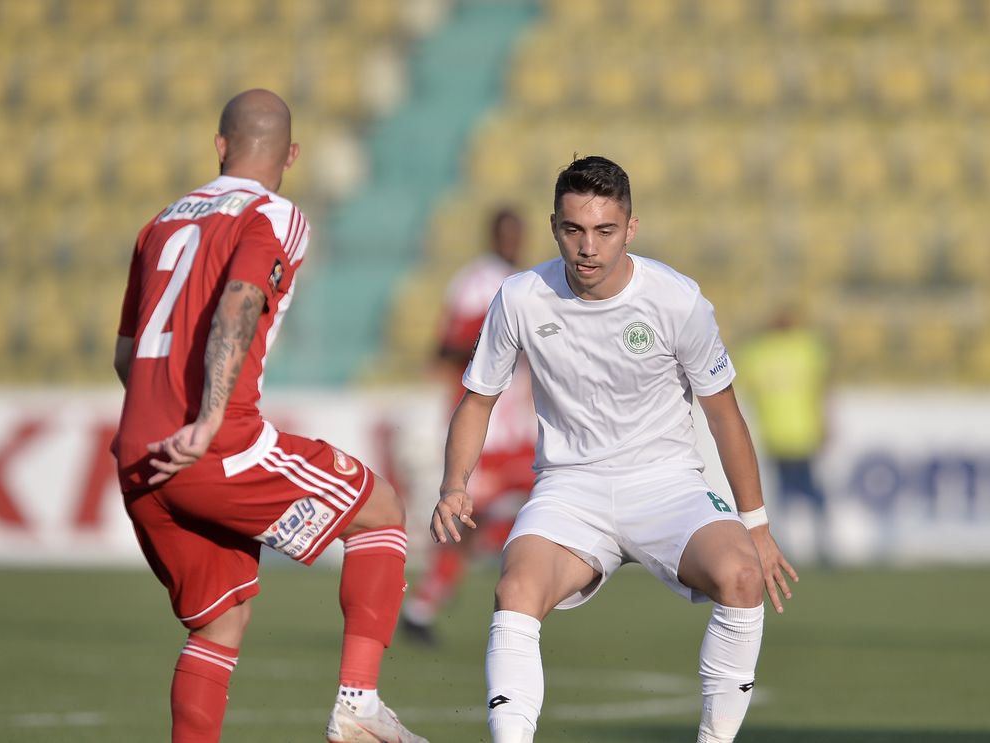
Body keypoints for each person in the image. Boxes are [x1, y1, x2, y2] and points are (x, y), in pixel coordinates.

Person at [430, 155, 798, 743]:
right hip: (569, 488)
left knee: (742, 577)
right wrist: (454, 485)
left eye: (604, 230)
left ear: (630, 228)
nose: (588, 248)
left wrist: (755, 524)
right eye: (574, 230)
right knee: (514, 590)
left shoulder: (677, 300)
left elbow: (724, 414)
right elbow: (477, 400)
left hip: (667, 483)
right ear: (554, 227)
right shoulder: (521, 297)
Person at [112, 89, 428, 743]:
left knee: (218, 623)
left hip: (139, 457)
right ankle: (358, 705)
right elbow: (240, 299)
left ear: (220, 145)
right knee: (382, 510)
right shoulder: (275, 213)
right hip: (215, 444)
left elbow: (125, 355)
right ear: (291, 155)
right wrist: (205, 421)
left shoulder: (161, 221)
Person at [401, 208, 538, 646]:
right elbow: (446, 347)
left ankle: (525, 603)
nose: (514, 242)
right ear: (493, 235)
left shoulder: (530, 283)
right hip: (487, 433)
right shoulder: (476, 282)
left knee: (550, 501)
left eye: (519, 235)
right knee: (464, 525)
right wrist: (495, 335)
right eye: (507, 234)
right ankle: (420, 608)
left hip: (520, 434)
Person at [733, 307, 833, 566]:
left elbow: (741, 387)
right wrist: (825, 423)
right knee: (809, 491)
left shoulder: (758, 351)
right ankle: (819, 545)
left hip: (776, 433)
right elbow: (823, 386)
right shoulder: (806, 346)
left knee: (785, 493)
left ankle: (790, 545)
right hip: (801, 432)